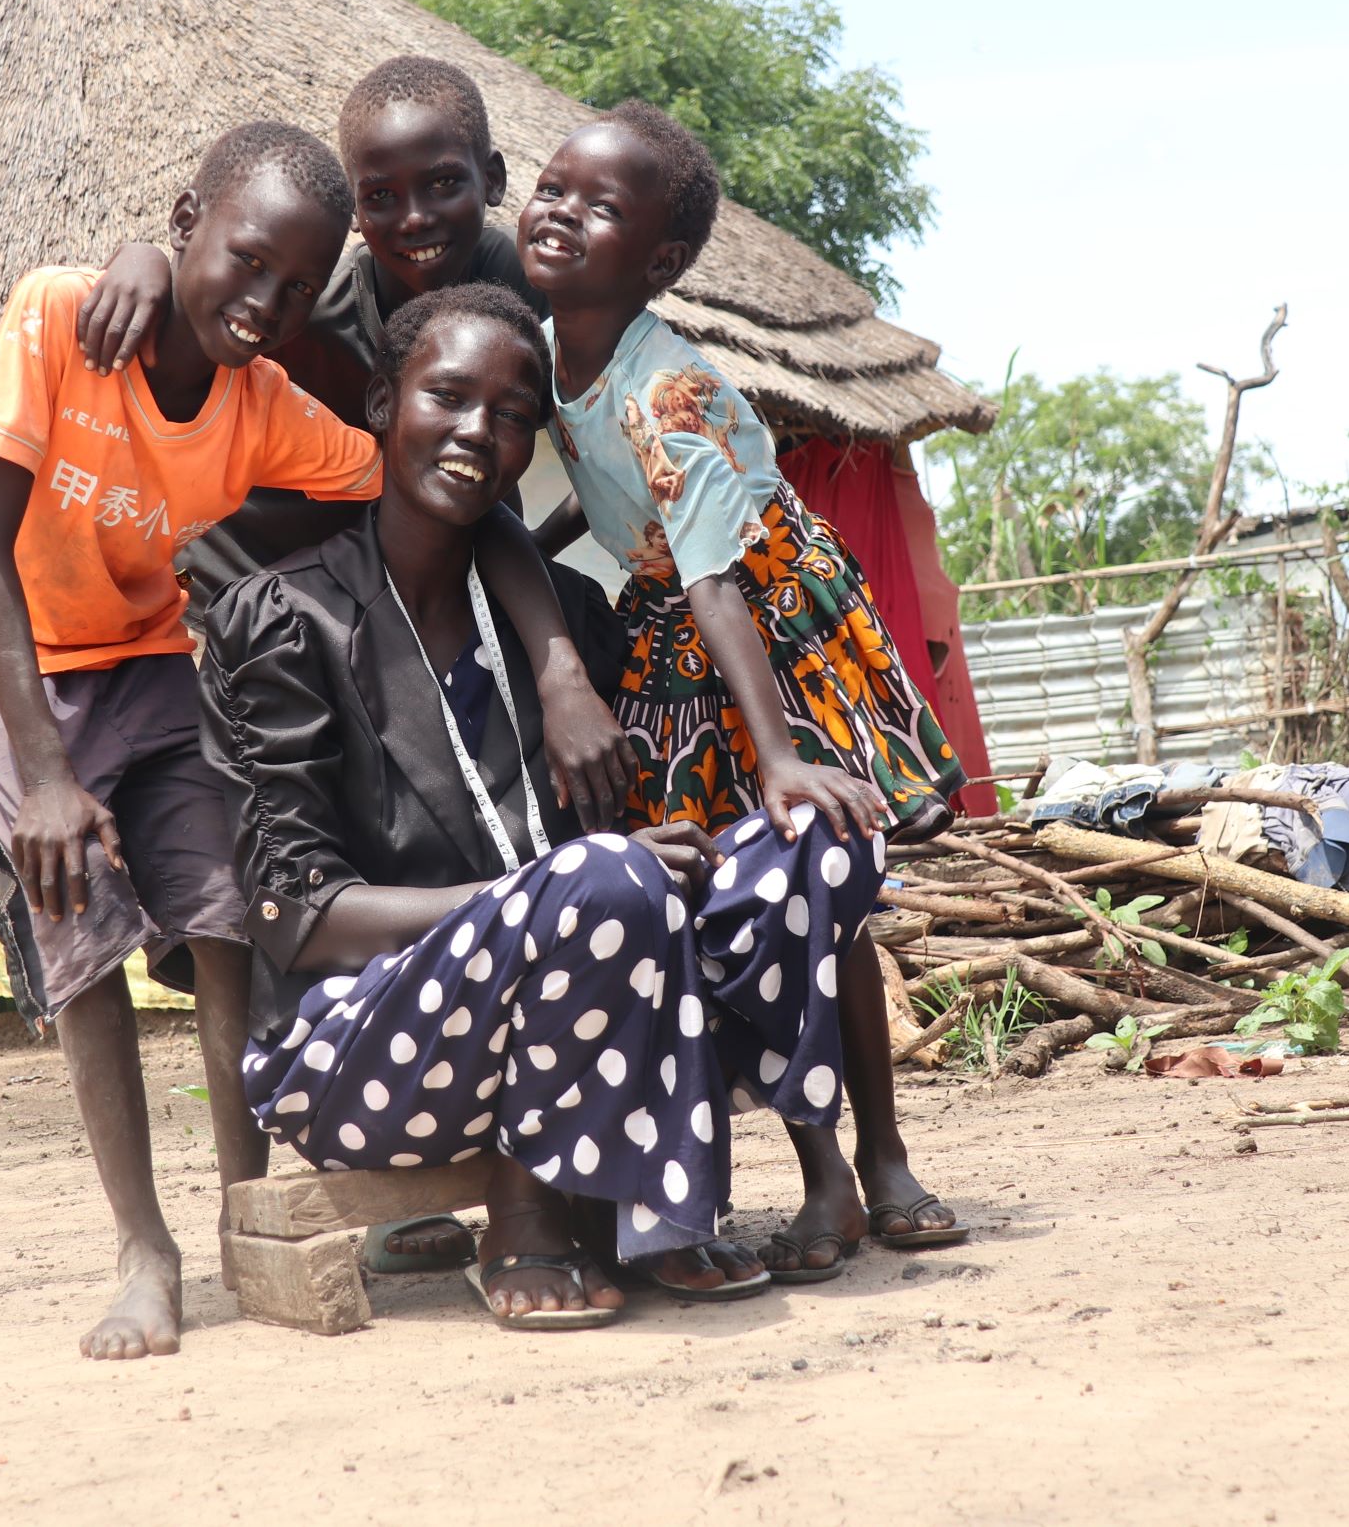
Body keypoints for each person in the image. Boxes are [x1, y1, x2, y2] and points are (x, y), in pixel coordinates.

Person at [0, 122, 622, 1363]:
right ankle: (143, 1247)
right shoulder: (57, 315)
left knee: (226, 927)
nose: (265, 303)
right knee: (81, 931)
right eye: (245, 262)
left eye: (298, 288)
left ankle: (242, 1211)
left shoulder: (263, 409)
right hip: (15, 670)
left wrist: (559, 660)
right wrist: (43, 773)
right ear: (187, 217)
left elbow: (449, 489)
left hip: (148, 658)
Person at [204, 283, 897, 1326]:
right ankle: (532, 1218)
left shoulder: (568, 622)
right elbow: (299, 918)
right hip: (364, 1052)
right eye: (447, 396)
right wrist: (538, 894)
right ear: (384, 404)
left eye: (515, 414)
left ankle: (659, 1203)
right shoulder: (282, 620)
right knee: (596, 878)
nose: (479, 432)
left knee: (810, 849)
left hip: (598, 1014)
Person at [517, 102, 970, 1273]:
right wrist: (544, 537)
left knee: (816, 885)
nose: (561, 211)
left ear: (660, 261)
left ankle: (877, 1159)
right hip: (678, 625)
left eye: (600, 206)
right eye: (554, 187)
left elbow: (719, 574)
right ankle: (823, 1171)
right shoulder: (553, 348)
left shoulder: (670, 390)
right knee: (738, 898)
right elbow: (635, 504)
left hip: (765, 630)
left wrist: (776, 755)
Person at [74, 55, 543, 608]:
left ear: (491, 179)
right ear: (354, 209)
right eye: (382, 196)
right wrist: (144, 257)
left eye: (442, 183)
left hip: (386, 606)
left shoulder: (524, 291)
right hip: (230, 591)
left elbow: (618, 415)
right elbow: (193, 312)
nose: (415, 218)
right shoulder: (303, 312)